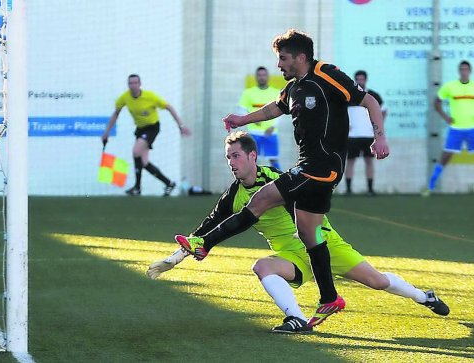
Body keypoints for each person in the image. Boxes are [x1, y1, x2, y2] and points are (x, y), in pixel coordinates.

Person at [174, 29, 389, 327]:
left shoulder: (326, 74)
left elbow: (370, 103)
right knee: (309, 236)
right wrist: (242, 119)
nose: (279, 65)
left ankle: (204, 243)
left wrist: (379, 138)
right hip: (313, 167)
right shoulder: (295, 87)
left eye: (283, 58)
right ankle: (329, 299)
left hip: (320, 166)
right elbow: (275, 108)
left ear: (301, 57)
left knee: (260, 199)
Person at [147, 132, 448, 333]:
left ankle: (424, 296)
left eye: (236, 156)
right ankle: (297, 318)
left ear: (253, 156)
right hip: (292, 254)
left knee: (377, 281)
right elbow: (205, 230)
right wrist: (175, 258)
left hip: (321, 241)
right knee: (262, 266)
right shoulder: (233, 195)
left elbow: (303, 206)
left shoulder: (276, 179)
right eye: (228, 158)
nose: (232, 163)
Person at [102, 74, 191, 196]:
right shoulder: (124, 98)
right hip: (140, 129)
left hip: (152, 128)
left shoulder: (150, 97)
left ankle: (137, 188)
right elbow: (115, 114)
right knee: (144, 162)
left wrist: (181, 126)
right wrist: (106, 132)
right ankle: (169, 183)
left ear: (140, 84)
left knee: (135, 151)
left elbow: (169, 107)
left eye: (135, 83)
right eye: (130, 83)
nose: (133, 85)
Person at [427, 60, 474, 194]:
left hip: (472, 128)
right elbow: (437, 102)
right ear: (459, 71)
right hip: (456, 129)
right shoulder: (450, 87)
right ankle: (431, 184)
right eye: (462, 69)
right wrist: (445, 117)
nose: (464, 72)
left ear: (470, 71)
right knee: (445, 156)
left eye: (466, 69)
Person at [345, 70, 387, 196]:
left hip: (368, 135)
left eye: (362, 79)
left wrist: (378, 126)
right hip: (352, 136)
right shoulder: (348, 95)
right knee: (350, 161)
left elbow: (383, 110)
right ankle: (348, 189)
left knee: (369, 161)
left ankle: (370, 189)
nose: (360, 81)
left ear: (365, 80)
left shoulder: (373, 95)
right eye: (358, 79)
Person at [238, 66, 281, 169]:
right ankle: (254, 182)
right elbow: (242, 109)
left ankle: (280, 182)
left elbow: (281, 111)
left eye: (264, 75)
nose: (262, 77)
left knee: (273, 159)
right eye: (259, 75)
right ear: (256, 77)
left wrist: (273, 126)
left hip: (270, 132)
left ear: (268, 76)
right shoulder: (248, 93)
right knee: (252, 159)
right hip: (254, 133)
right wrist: (252, 119)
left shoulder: (276, 92)